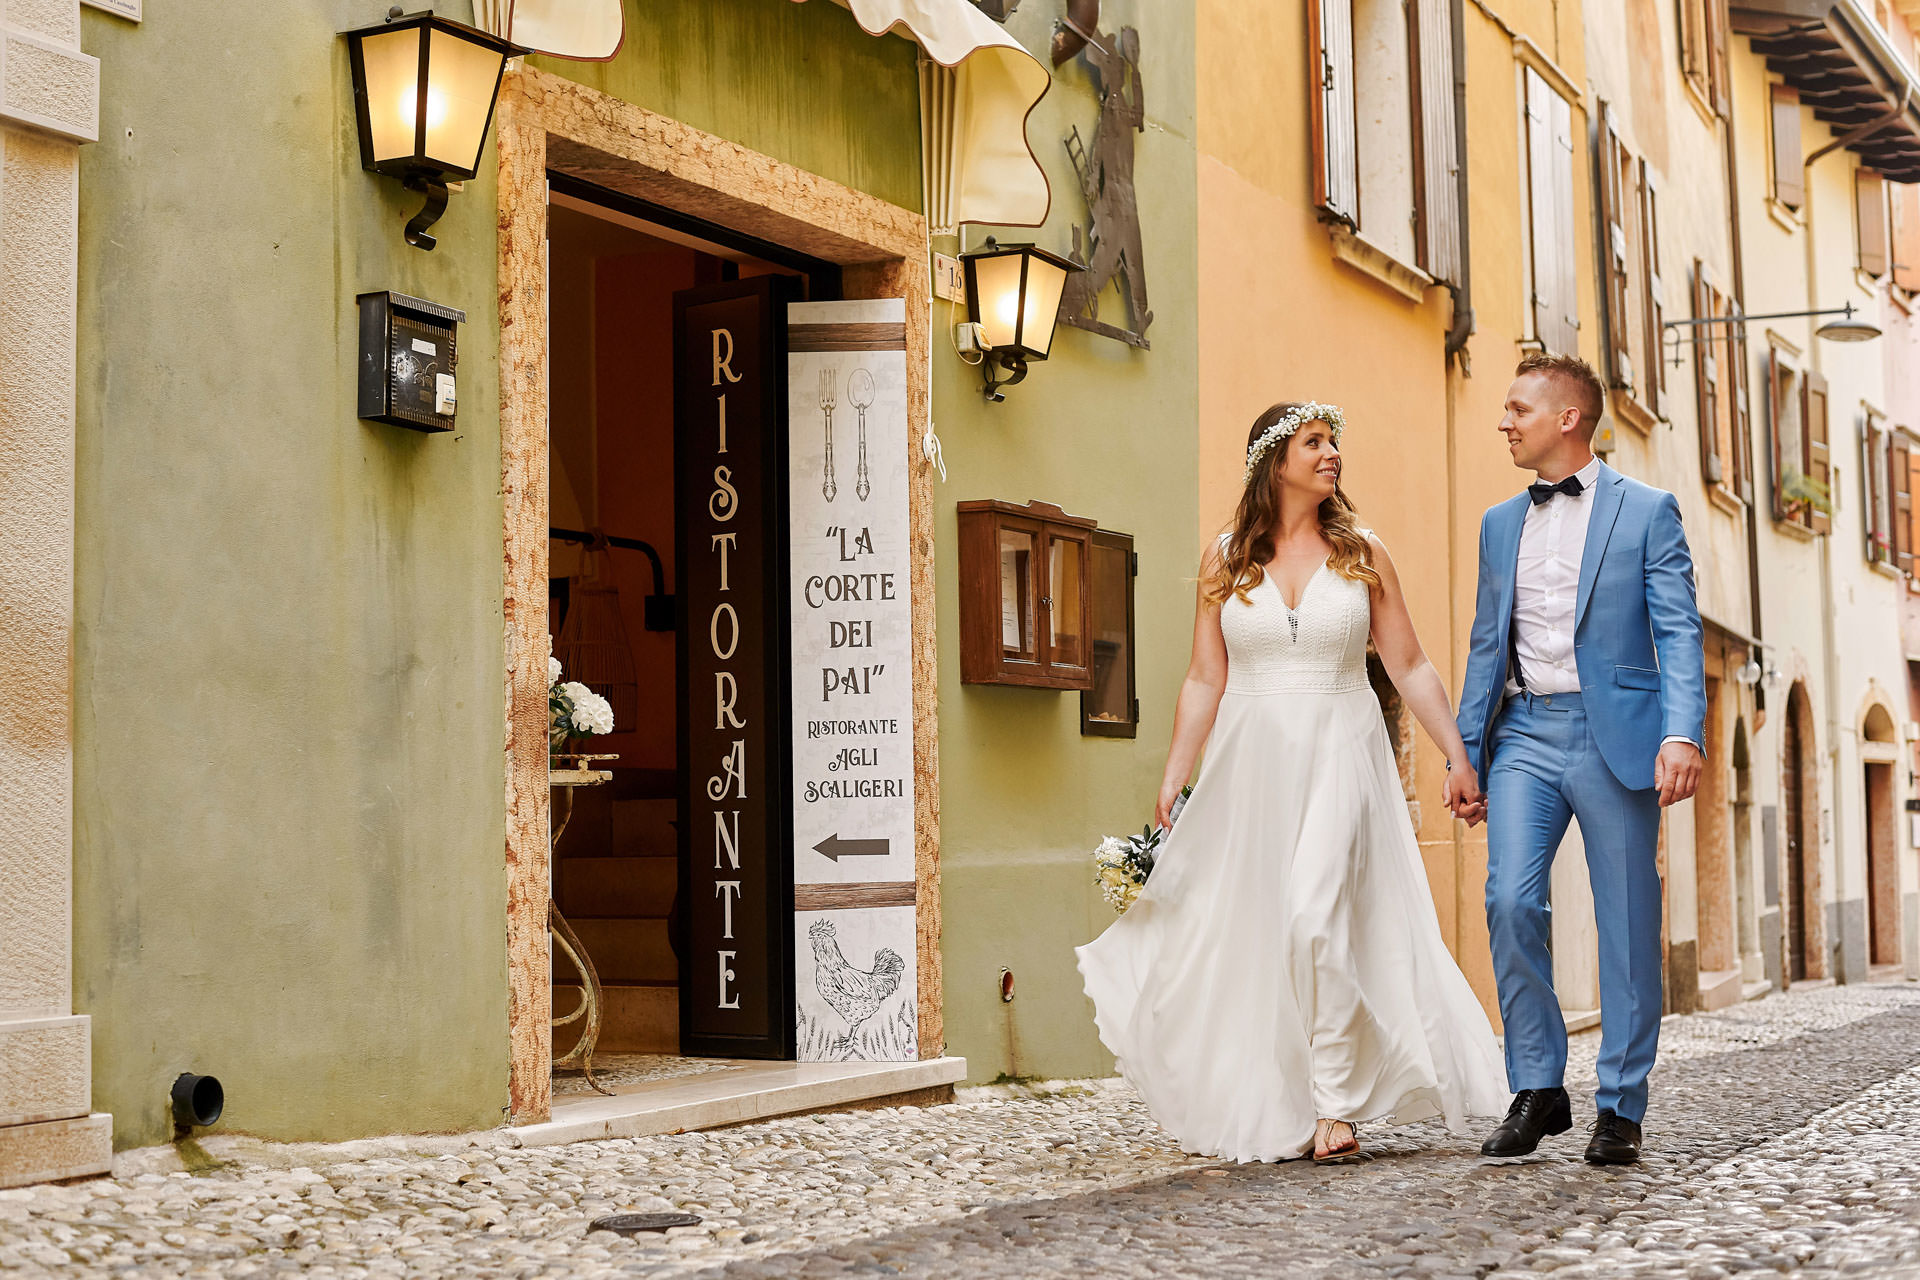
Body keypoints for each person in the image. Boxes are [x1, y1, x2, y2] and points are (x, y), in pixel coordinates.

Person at [1076, 401, 1507, 1164]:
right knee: (1265, 931)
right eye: (1314, 442)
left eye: (1334, 441)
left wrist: (1457, 755)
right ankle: (1283, 1093)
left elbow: (1408, 663)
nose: (1332, 452)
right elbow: (1205, 676)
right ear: (1274, 462)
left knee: (1315, 916)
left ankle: (1335, 1105)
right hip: (1251, 765)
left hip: (1342, 752)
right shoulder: (1225, 558)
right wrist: (1176, 774)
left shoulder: (1363, 553)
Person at [1455, 353, 1705, 1166]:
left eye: (1517, 408)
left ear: (1567, 418)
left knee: (1626, 921)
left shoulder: (1648, 511)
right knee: (1509, 901)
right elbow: (1486, 644)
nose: (1504, 422)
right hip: (1524, 733)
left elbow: (1678, 631)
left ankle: (1621, 1105)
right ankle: (1538, 1085)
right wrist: (1466, 752)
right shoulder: (1499, 523)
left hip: (1615, 736)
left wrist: (1682, 732)